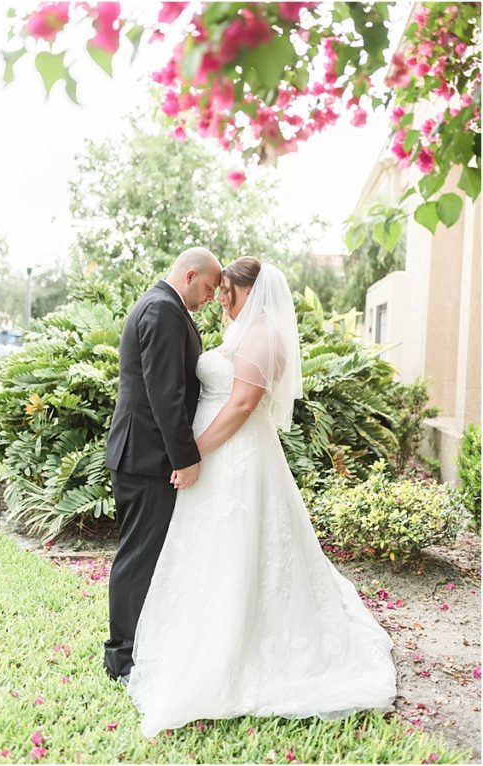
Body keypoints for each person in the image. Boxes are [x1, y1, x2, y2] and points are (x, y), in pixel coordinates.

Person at [126, 257, 396, 735]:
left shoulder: (265, 335)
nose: (220, 297)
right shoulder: (241, 331)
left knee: (241, 546)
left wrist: (194, 453)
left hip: (235, 458)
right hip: (217, 459)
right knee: (210, 550)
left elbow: (244, 405)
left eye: (226, 289)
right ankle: (202, 638)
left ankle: (241, 647)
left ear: (250, 288)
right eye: (216, 288)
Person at [103, 247, 222, 682]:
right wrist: (186, 458)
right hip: (146, 455)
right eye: (209, 287)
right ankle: (123, 657)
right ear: (190, 275)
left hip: (145, 453)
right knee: (138, 557)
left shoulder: (164, 307)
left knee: (148, 556)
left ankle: (142, 644)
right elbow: (164, 394)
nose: (211, 297)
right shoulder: (162, 310)